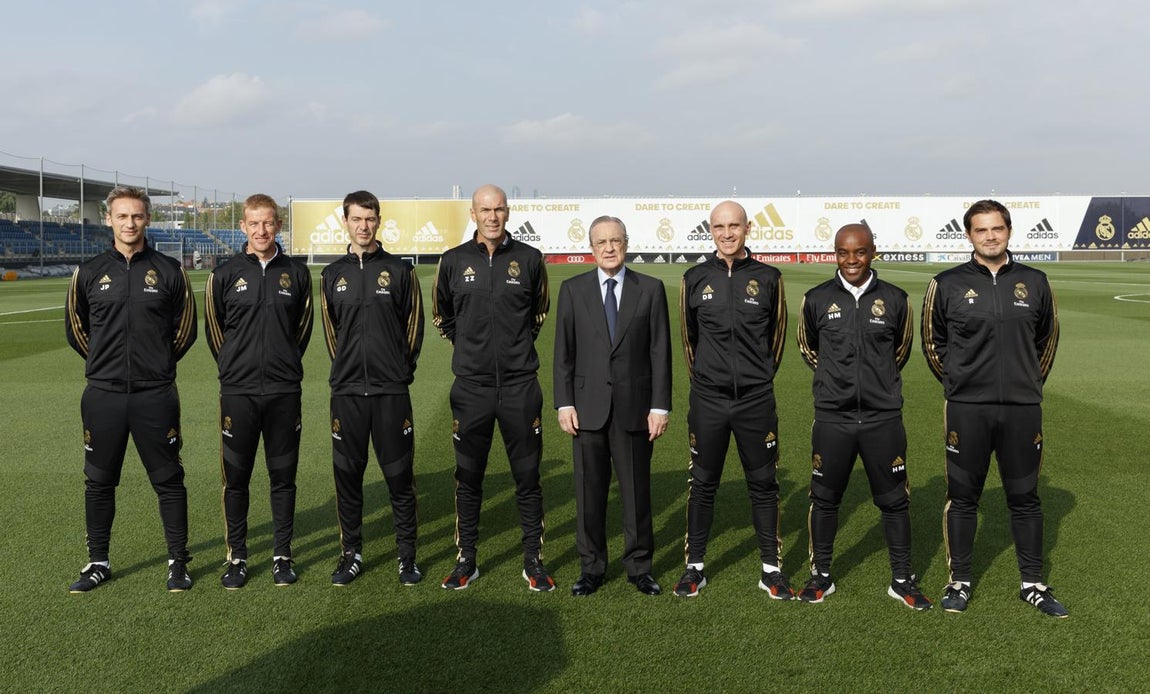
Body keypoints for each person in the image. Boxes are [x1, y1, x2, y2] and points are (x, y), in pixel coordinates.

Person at [922, 199, 1065, 617]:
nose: (990, 236)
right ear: (969, 235)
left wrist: (1027, 382)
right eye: (981, 230)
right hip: (968, 408)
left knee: (1025, 497)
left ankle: (1033, 583)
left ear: (1008, 231)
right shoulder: (945, 283)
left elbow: (1047, 340)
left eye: (997, 228)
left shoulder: (1035, 281)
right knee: (963, 496)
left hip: (1022, 408)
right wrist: (958, 383)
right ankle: (960, 582)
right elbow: (933, 344)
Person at [64, 185, 197, 592]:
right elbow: (76, 330)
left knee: (168, 479)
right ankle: (98, 562)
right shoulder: (87, 273)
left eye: (137, 216)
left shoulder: (170, 271)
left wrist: (155, 364)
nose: (129, 223)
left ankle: (178, 562)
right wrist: (104, 368)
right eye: (122, 216)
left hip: (154, 394)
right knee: (99, 481)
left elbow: (185, 330)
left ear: (147, 219)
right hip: (103, 396)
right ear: (109, 219)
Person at [795, 224, 931, 610]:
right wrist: (834, 381)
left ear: (874, 252)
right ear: (834, 253)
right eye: (842, 252)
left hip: (882, 418)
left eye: (859, 252)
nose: (850, 260)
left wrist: (876, 384)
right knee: (824, 499)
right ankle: (821, 575)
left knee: (894, 501)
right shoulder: (817, 298)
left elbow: (900, 351)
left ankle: (902, 578)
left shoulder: (895, 298)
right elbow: (808, 347)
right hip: (833, 418)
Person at [432, 184, 553, 591]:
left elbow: (538, 312)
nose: (492, 217)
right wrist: (471, 351)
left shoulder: (529, 259)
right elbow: (442, 316)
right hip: (471, 388)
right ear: (473, 214)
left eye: (499, 209)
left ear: (507, 212)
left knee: (528, 477)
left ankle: (534, 560)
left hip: (520, 386)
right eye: (485, 210)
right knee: (468, 477)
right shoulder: (453, 261)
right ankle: (467, 558)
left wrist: (514, 351)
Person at [674, 200, 793, 599]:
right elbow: (689, 341)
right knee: (703, 483)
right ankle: (694, 568)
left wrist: (757, 379)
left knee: (763, 483)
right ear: (711, 230)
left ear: (747, 229)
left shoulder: (769, 278)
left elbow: (776, 341)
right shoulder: (693, 278)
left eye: (734, 226)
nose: (727, 233)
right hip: (708, 399)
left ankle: (771, 569)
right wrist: (708, 381)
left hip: (756, 401)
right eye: (719, 227)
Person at [554, 216, 672, 596]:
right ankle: (591, 568)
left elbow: (660, 352)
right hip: (587, 409)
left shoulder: (650, 289)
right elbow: (563, 355)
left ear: (626, 243)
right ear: (591, 247)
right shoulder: (572, 290)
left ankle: (639, 567)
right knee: (589, 493)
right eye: (601, 241)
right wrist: (564, 402)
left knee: (636, 492)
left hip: (634, 409)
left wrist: (660, 406)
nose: (609, 247)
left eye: (615, 241)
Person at [205, 194, 313, 589]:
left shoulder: (297, 274)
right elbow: (215, 331)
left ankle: (282, 555)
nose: (261, 230)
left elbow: (301, 330)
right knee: (237, 479)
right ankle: (237, 557)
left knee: (283, 478)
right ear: (243, 227)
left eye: (268, 223)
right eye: (254, 224)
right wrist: (235, 367)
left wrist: (283, 364)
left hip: (284, 392)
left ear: (278, 225)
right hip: (238, 393)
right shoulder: (224, 273)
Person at [320, 190, 425, 587]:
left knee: (399, 477)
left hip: (390, 392)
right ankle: (351, 554)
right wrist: (346, 371)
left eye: (370, 219)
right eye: (356, 219)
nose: (363, 226)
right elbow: (333, 336)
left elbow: (413, 330)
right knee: (348, 478)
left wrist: (399, 371)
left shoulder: (399, 272)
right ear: (344, 221)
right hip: (346, 395)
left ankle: (406, 557)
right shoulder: (332, 275)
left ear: (379, 221)